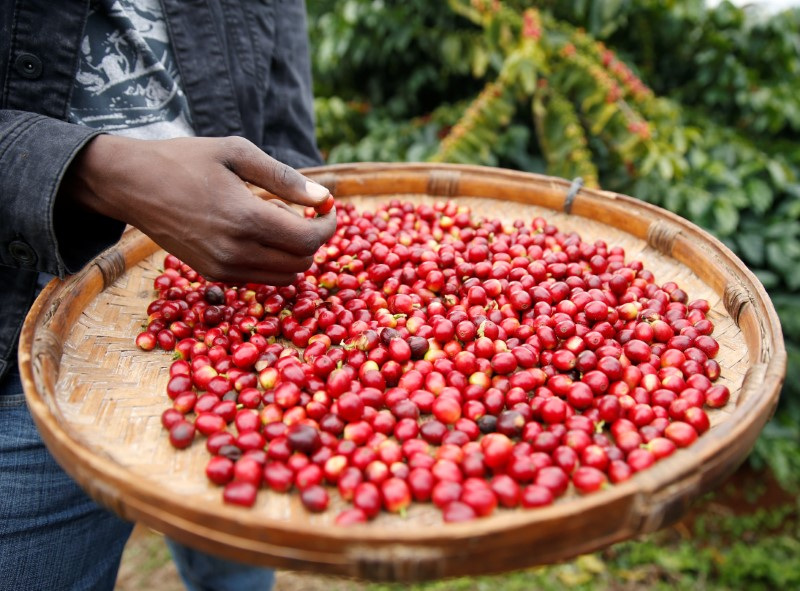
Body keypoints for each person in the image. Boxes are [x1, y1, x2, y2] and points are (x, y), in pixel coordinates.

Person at [0, 1, 336, 590]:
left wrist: (293, 208)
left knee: (234, 555)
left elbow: (282, 115)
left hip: (238, 295)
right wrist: (99, 173)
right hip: (17, 330)